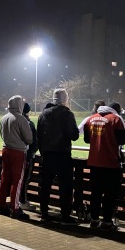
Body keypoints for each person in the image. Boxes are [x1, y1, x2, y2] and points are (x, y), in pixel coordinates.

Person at [83, 101, 125, 231]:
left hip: (94, 162)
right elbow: (123, 139)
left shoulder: (90, 119)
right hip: (110, 162)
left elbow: (87, 139)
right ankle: (107, 222)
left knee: (95, 193)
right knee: (109, 194)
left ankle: (94, 219)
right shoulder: (115, 119)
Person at [37, 88, 79, 225]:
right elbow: (73, 135)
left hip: (48, 155)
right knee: (65, 187)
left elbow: (39, 137)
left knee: (45, 186)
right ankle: (65, 215)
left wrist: (43, 153)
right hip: (62, 155)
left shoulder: (43, 114)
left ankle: (44, 213)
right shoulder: (67, 114)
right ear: (65, 99)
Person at [0, 95, 33, 220]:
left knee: (4, 179)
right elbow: (29, 138)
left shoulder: (4, 118)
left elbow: (1, 134)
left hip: (5, 150)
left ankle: (2, 206)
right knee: (17, 181)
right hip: (18, 152)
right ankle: (15, 209)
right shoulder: (21, 119)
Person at [19, 102, 38, 211]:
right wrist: (33, 151)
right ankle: (22, 201)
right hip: (27, 155)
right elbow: (33, 141)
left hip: (16, 153)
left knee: (19, 179)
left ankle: (18, 200)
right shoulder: (28, 123)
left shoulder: (14, 120)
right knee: (25, 179)